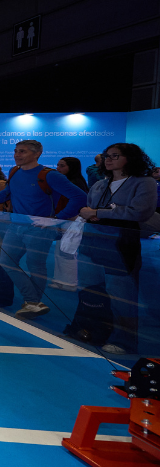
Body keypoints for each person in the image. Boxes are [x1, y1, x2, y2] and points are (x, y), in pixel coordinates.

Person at [0, 140, 87, 319]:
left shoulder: (50, 175)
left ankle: (32, 302)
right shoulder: (15, 171)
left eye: (22, 151)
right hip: (16, 226)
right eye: (16, 151)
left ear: (37, 154)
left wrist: (56, 219)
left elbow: (80, 197)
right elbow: (7, 192)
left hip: (39, 229)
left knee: (36, 265)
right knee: (7, 261)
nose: (17, 155)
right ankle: (33, 302)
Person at [77, 143, 157, 355]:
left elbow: (139, 212)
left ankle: (125, 340)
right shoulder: (100, 184)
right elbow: (89, 209)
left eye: (115, 156)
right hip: (92, 241)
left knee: (121, 294)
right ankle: (93, 330)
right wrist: (97, 213)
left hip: (122, 244)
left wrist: (99, 213)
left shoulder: (144, 182)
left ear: (130, 158)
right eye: (107, 156)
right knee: (91, 289)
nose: (108, 160)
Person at [50, 157, 90, 291]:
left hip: (71, 220)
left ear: (71, 167)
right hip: (64, 219)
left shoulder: (75, 183)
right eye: (58, 165)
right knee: (61, 251)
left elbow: (78, 204)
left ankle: (70, 283)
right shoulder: (66, 182)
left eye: (62, 166)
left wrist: (63, 217)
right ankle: (60, 280)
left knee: (67, 252)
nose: (58, 168)